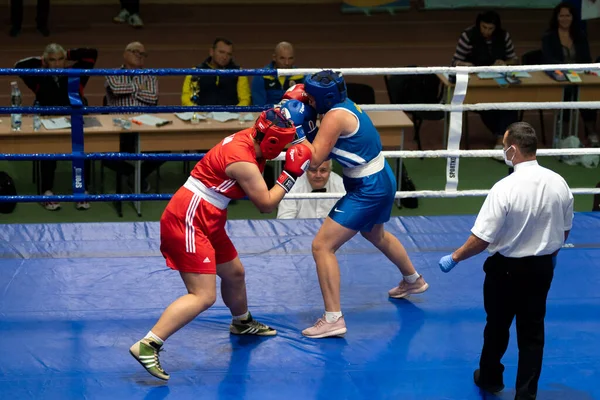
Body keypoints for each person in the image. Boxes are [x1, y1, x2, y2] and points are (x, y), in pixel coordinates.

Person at [129, 108, 312, 381]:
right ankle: (149, 343)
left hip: (208, 215)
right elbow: (265, 204)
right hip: (189, 218)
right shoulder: (243, 160)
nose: (284, 149)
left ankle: (242, 322)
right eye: (282, 145)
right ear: (271, 141)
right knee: (203, 295)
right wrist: (290, 175)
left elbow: (289, 130)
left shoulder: (254, 135)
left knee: (234, 273)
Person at [438, 122, 574, 400]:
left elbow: (481, 239)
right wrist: (550, 254)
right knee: (533, 332)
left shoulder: (505, 188)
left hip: (506, 270)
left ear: (513, 149)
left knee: (497, 326)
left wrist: (454, 257)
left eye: (504, 147)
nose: (503, 151)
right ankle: (526, 395)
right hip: (541, 269)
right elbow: (564, 228)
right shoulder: (559, 182)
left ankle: (490, 379)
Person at [296, 70, 429, 339]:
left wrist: (299, 127)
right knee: (375, 233)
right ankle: (414, 280)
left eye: (311, 97)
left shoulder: (334, 117)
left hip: (368, 187)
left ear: (325, 97)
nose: (308, 101)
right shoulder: (345, 104)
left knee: (322, 246)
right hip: (379, 176)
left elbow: (314, 160)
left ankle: (333, 318)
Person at [277, 159, 345, 219]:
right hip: (299, 231)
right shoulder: (292, 186)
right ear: (306, 170)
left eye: (323, 170)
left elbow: (345, 219)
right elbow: (285, 220)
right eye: (313, 170)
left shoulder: (341, 186)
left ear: (330, 171)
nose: (318, 175)